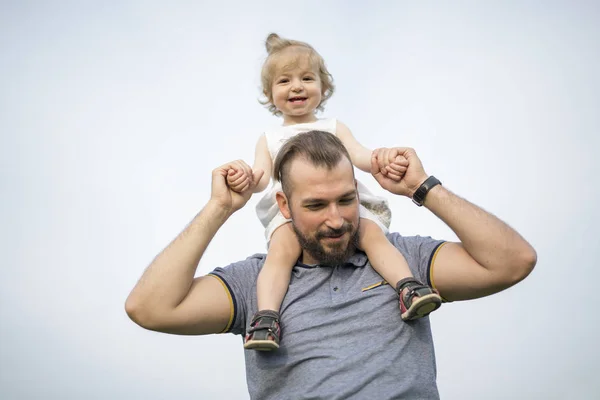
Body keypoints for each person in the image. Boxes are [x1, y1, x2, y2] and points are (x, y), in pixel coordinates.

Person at [125, 129, 537, 399]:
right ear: (284, 206)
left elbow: (512, 262)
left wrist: (420, 187)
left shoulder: (404, 260)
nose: (336, 219)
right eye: (316, 205)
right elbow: (150, 307)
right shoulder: (256, 282)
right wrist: (219, 207)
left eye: (346, 200)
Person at [225, 33, 442, 351]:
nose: (297, 86)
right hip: (293, 214)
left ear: (323, 89)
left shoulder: (334, 128)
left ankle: (408, 287)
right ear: (271, 95)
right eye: (285, 81)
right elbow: (260, 179)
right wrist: (243, 175)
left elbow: (361, 156)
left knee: (371, 236)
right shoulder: (270, 138)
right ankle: (266, 319)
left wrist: (383, 157)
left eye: (307, 78)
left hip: (341, 202)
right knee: (280, 254)